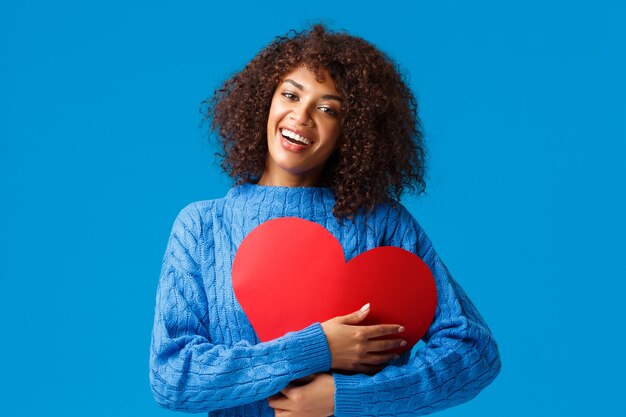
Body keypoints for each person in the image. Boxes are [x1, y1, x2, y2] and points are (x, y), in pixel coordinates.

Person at [149, 24, 501, 417]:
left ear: (350, 133)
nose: (300, 116)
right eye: (290, 95)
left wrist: (344, 398)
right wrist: (319, 347)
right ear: (263, 101)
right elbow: (173, 377)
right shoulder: (202, 227)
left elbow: (473, 352)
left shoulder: (383, 225)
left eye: (327, 108)